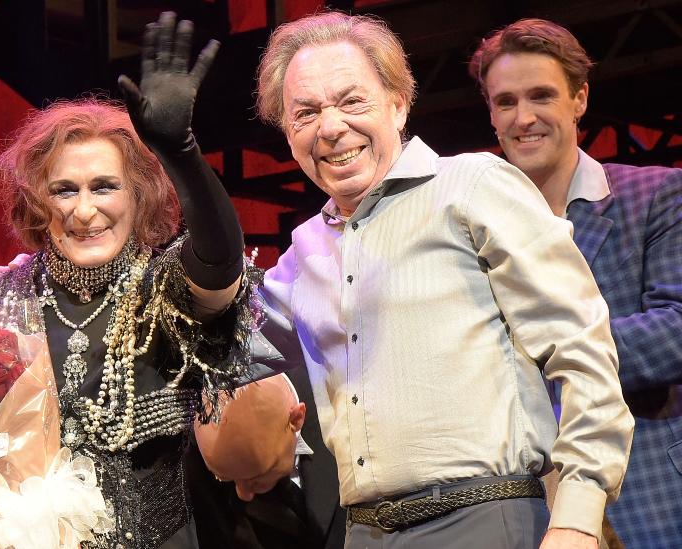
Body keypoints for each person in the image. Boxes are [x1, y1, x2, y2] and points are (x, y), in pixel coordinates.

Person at [239, 11, 634, 549]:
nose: (330, 127)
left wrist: (577, 516)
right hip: (364, 533)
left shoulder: (473, 185)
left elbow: (583, 349)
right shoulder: (304, 251)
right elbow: (232, 345)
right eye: (305, 112)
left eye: (352, 101)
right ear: (288, 134)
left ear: (399, 103)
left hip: (483, 519)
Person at [0, 13, 254, 548]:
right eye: (63, 191)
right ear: (37, 204)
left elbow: (220, 262)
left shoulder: (165, 289)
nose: (84, 211)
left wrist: (182, 152)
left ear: (139, 195)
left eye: (104, 187)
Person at [469, 19, 682, 548]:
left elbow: (676, 329)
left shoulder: (655, 196)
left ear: (579, 99)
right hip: (522, 506)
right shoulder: (471, 226)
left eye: (541, 96)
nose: (524, 118)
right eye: (505, 102)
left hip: (646, 486)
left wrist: (536, 355)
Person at [189, 371, 346, 549]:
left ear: (295, 419)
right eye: (225, 478)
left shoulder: (346, 407)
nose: (243, 494)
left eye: (256, 476)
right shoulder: (195, 468)